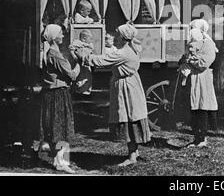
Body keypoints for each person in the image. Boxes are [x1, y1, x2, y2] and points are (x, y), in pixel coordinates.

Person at [80, 23, 151, 167]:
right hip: (133, 84)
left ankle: (131, 157)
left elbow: (101, 61)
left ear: (124, 37)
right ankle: (135, 152)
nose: (116, 37)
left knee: (128, 117)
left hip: (126, 88)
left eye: (118, 35)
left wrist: (84, 55)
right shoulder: (133, 48)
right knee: (134, 116)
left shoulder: (122, 53)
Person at [40, 24, 80, 173]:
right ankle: (61, 162)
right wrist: (80, 63)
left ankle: (59, 160)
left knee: (57, 128)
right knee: (61, 128)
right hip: (58, 94)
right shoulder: (55, 54)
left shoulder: (51, 52)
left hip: (52, 94)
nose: (63, 36)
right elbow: (72, 75)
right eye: (61, 34)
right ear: (54, 37)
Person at [180, 19, 219, 148]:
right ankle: (196, 138)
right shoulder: (192, 44)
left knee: (202, 106)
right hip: (192, 79)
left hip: (203, 79)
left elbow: (203, 63)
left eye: (193, 29)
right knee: (194, 109)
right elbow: (185, 58)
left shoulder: (208, 45)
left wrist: (190, 60)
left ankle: (202, 138)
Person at [69, 29, 94, 95]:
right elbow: (71, 49)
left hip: (86, 64)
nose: (91, 40)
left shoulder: (90, 45)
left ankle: (86, 91)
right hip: (79, 63)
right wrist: (74, 56)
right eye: (90, 38)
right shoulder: (77, 43)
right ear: (84, 39)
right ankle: (78, 90)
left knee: (87, 76)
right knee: (79, 76)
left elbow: (91, 53)